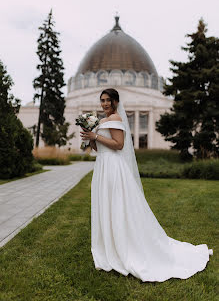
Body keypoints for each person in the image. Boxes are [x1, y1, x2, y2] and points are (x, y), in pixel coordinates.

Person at [80, 88, 213, 282]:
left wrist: (96, 137)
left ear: (116, 102)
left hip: (114, 168)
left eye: (108, 100)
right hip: (102, 165)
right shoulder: (101, 121)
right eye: (102, 100)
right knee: (106, 204)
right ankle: (110, 245)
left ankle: (125, 246)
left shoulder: (116, 118)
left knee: (118, 205)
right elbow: (97, 148)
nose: (105, 104)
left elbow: (119, 144)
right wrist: (90, 137)